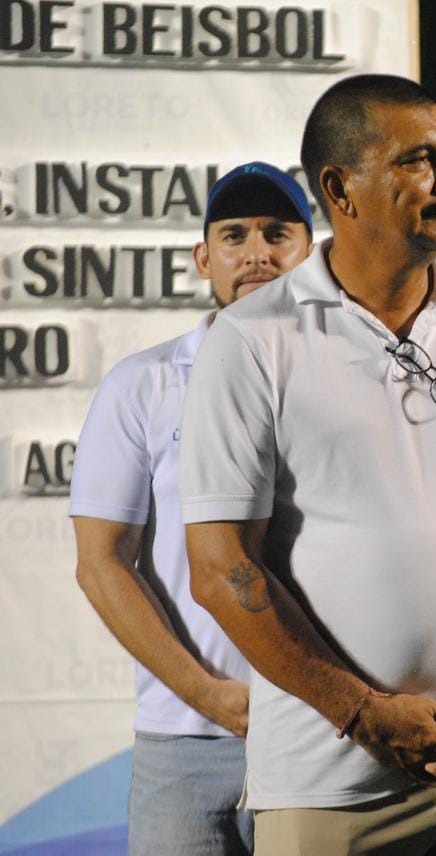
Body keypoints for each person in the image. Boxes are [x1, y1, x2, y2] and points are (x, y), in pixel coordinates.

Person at [180, 74, 436, 855]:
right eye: (416, 160)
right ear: (341, 188)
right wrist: (362, 714)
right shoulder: (251, 340)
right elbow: (221, 568)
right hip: (332, 785)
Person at [70, 161, 314, 855]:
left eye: (278, 232)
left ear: (311, 252)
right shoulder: (143, 384)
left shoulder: (349, 379)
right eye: (234, 235)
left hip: (323, 738)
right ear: (204, 258)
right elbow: (101, 564)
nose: (258, 252)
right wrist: (208, 695)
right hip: (185, 743)